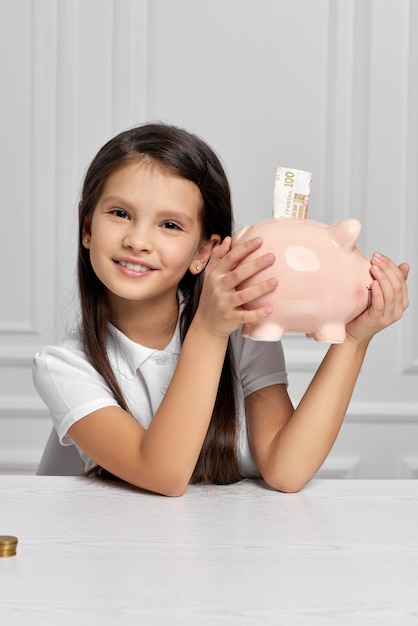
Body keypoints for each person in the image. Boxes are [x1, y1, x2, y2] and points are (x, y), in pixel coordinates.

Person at [32, 122, 409, 496]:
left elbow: (286, 470)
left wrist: (355, 339)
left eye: (169, 224)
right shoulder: (64, 367)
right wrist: (209, 331)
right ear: (87, 226)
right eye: (119, 214)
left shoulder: (243, 335)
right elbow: (163, 475)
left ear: (203, 252)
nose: (138, 241)